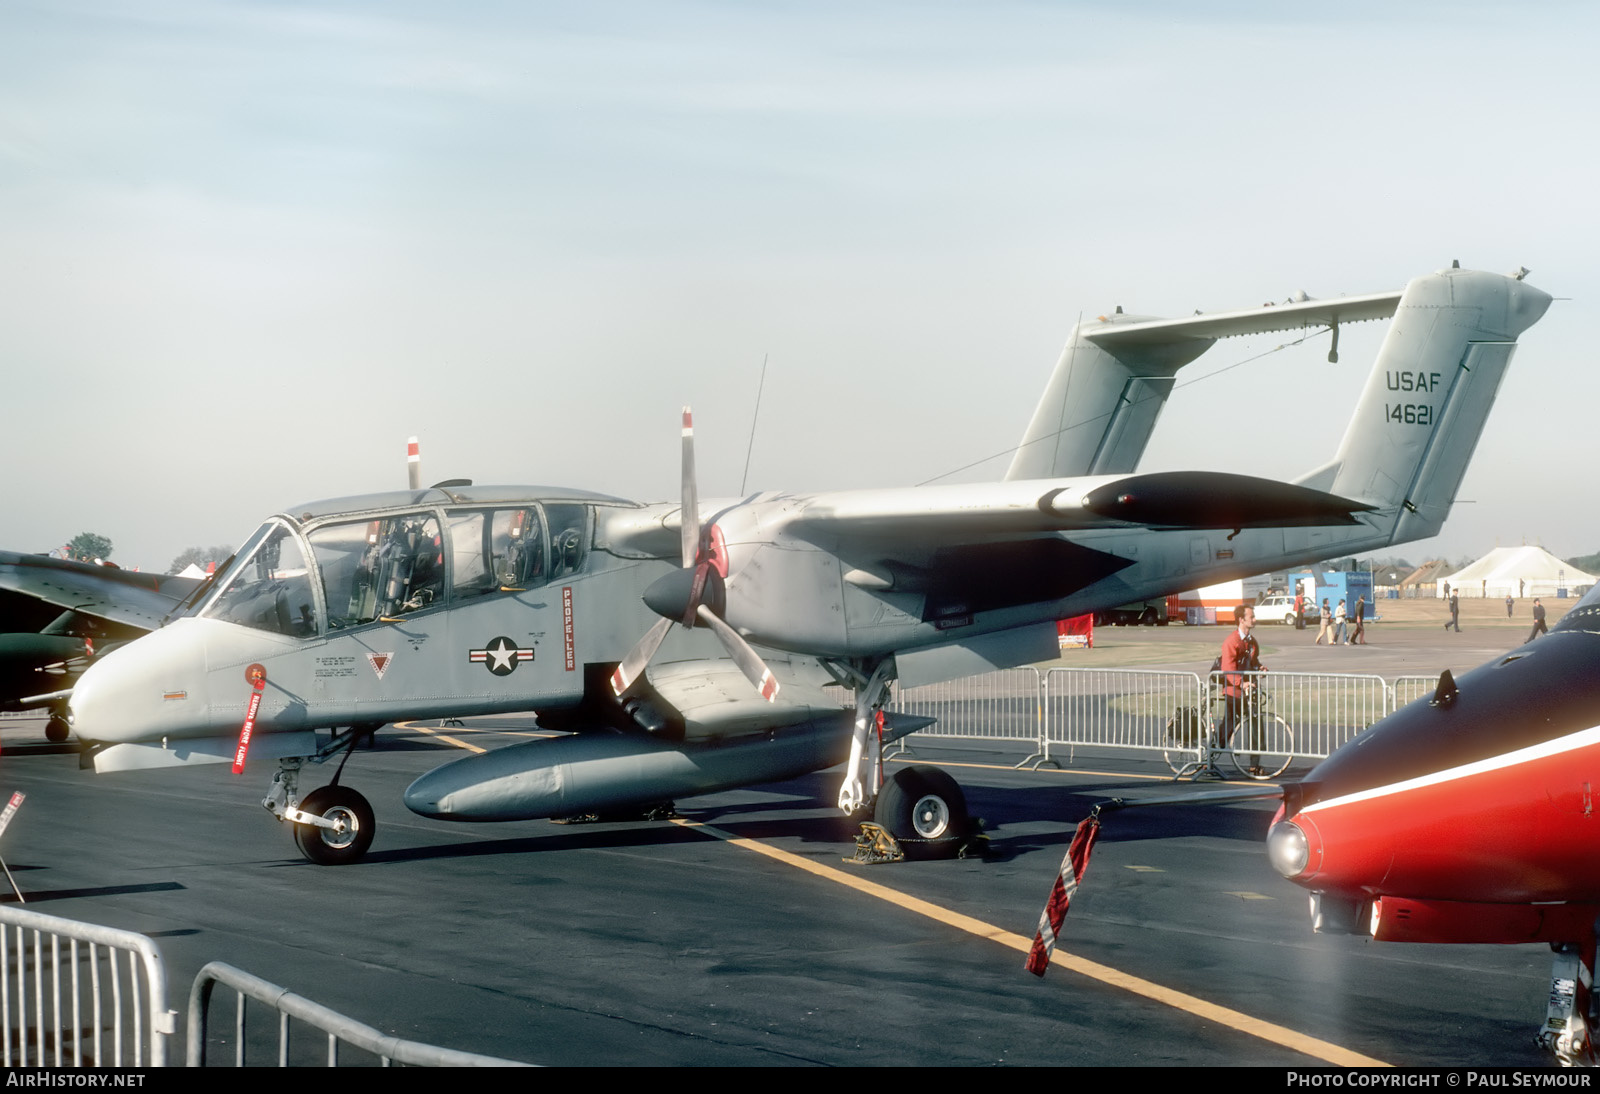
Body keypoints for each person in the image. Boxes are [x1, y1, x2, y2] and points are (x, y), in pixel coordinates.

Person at [1216, 604, 1264, 775]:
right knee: (1229, 725)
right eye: (1251, 617)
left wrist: (1261, 668)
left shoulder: (1251, 641)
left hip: (1250, 692)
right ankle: (1209, 756)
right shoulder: (1232, 641)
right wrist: (1241, 683)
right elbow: (1227, 669)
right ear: (1241, 620)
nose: (1254, 619)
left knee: (1257, 725)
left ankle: (1255, 764)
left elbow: (1254, 661)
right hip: (1234, 692)